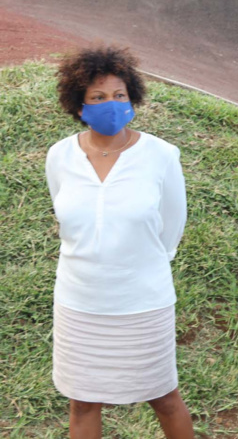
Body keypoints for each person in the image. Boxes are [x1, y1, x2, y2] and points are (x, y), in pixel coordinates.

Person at [45, 47, 194, 439]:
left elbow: (171, 228)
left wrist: (134, 269)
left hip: (143, 303)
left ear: (133, 99)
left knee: (164, 397)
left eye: (119, 95)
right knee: (82, 403)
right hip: (80, 304)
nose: (111, 104)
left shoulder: (161, 156)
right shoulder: (59, 156)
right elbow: (67, 219)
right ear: (79, 106)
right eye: (98, 97)